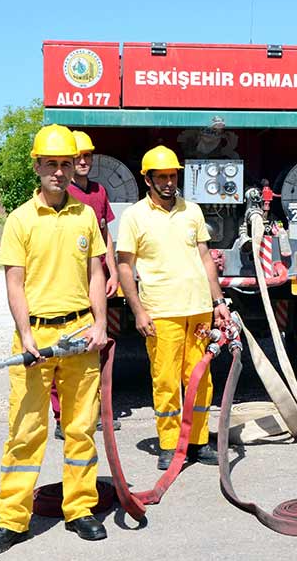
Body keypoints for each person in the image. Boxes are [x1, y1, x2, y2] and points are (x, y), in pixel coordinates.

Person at [0, 125, 108, 555]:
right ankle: (13, 520)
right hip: (35, 338)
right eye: (50, 163)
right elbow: (14, 284)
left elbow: (96, 274)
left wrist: (100, 325)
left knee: (80, 428)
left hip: (80, 335)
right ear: (37, 166)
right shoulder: (20, 219)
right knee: (26, 431)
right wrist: (27, 336)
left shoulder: (86, 215)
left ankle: (81, 509)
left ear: (74, 167)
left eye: (65, 163)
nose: (58, 171)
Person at [117, 145, 231, 470]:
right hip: (160, 312)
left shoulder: (192, 211)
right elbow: (125, 265)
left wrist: (218, 301)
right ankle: (169, 445)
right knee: (166, 381)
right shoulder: (134, 216)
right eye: (162, 176)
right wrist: (138, 310)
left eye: (172, 175)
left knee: (200, 378)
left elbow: (205, 258)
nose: (168, 182)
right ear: (147, 180)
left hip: (198, 311)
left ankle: (198, 441)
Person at [51, 130, 120, 439]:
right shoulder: (62, 194)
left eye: (87, 156)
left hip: (98, 279)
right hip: (71, 282)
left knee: (96, 347)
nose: (82, 161)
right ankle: (61, 415)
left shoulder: (99, 192)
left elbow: (106, 235)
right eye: (77, 156)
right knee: (64, 346)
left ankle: (93, 408)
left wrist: (114, 272)